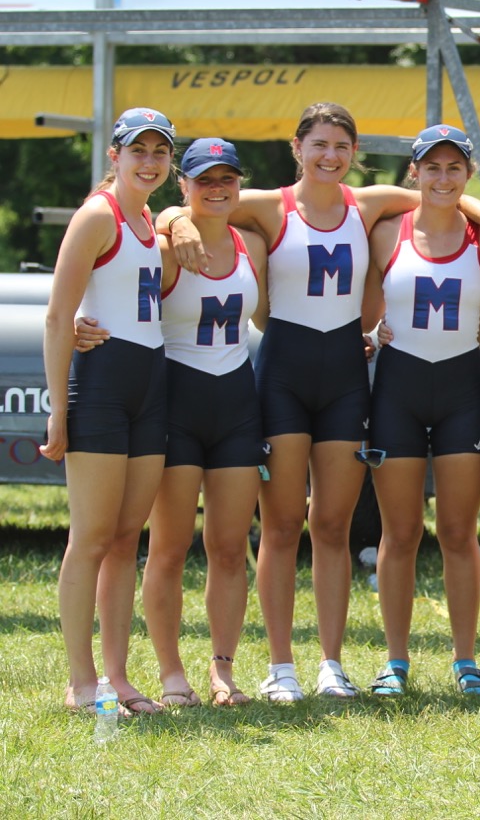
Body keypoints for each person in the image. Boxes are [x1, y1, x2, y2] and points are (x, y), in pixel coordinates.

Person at [159, 103, 480, 701]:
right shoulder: (269, 206)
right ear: (296, 147)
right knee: (279, 527)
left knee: (331, 525)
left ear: (354, 154)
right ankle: (281, 667)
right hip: (282, 378)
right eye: (319, 144)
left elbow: (450, 194)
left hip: (347, 382)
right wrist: (177, 220)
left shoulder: (370, 204)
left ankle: (331, 663)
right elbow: (193, 202)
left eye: (341, 147)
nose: (330, 156)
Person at [41, 107, 177, 715]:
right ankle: (79, 680)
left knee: (126, 538)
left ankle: (119, 678)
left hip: (150, 385)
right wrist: (56, 411)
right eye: (137, 151)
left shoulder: (152, 218)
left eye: (159, 152)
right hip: (100, 387)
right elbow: (56, 314)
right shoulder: (98, 214)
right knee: (91, 537)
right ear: (115, 155)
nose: (149, 161)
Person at [361, 126, 480, 696]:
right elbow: (361, 302)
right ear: (413, 172)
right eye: (431, 167)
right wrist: (371, 330)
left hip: (461, 390)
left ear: (468, 175)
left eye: (454, 168)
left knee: (460, 533)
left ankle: (466, 659)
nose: (443, 178)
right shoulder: (386, 230)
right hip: (398, 390)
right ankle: (396, 661)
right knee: (401, 531)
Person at [139, 139, 268, 707]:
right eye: (203, 180)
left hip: (237, 405)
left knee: (229, 546)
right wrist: (171, 220)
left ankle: (223, 671)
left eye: (227, 179)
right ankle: (171, 675)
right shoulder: (165, 248)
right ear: (183, 186)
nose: (217, 189)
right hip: (177, 405)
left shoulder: (250, 245)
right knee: (168, 547)